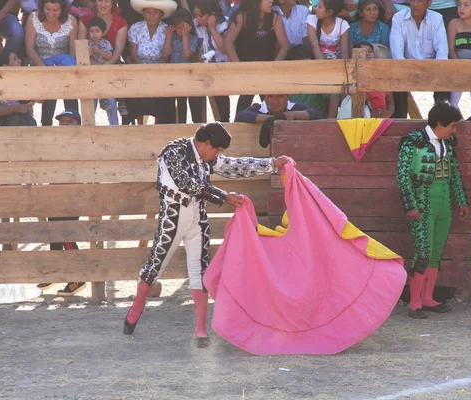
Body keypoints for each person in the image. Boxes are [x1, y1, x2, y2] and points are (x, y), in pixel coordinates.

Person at [122, 122, 292, 348]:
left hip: (197, 217)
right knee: (155, 265)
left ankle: (201, 329)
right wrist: (223, 197)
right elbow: (186, 184)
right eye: (216, 150)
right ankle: (137, 307)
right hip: (172, 218)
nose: (217, 156)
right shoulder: (174, 152)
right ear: (207, 143)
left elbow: (233, 166)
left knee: (200, 268)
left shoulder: (206, 155)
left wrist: (271, 164)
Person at [396, 102, 469, 319]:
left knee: (436, 252)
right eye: (453, 126)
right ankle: (415, 302)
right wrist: (410, 206)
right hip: (423, 202)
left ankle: (428, 298)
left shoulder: (449, 143)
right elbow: (402, 176)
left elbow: (454, 173)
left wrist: (462, 201)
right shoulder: (412, 142)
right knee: (423, 252)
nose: (454, 131)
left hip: (444, 201)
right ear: (439, 123)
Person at [36, 109, 87, 297]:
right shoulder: (53, 143)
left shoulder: (80, 144)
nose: (65, 124)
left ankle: (77, 278)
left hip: (72, 195)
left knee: (66, 233)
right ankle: (55, 271)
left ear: (77, 125)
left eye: (69, 121)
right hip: (55, 192)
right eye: (62, 121)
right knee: (54, 232)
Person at [224, 0, 290, 114]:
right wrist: (238, 66)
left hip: (267, 73)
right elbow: (228, 42)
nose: (271, 1)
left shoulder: (275, 17)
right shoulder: (241, 17)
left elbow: (285, 45)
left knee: (271, 108)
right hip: (247, 72)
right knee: (242, 108)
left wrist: (274, 66)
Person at [390, 0, 448, 118]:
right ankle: (399, 121)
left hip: (432, 69)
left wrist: (437, 72)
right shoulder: (398, 18)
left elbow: (442, 53)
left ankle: (439, 121)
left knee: (444, 77)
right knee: (397, 78)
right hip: (406, 68)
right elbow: (397, 53)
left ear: (429, 3)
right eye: (413, 1)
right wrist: (405, 72)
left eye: (420, 1)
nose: (415, 4)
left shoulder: (436, 18)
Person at [25, 0, 80, 126]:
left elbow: (72, 50)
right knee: (47, 108)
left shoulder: (71, 21)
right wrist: (45, 69)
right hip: (40, 66)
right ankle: (46, 127)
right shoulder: (33, 19)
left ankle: (75, 128)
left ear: (63, 9)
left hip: (64, 67)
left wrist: (66, 69)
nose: (51, 13)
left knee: (71, 102)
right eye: (47, 9)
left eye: (55, 10)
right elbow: (30, 48)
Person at [126, 0, 177, 124]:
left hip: (160, 68)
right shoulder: (135, 28)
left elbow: (165, 56)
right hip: (139, 67)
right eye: (148, 12)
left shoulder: (166, 29)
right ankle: (139, 124)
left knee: (160, 96)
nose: (152, 15)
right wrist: (141, 71)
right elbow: (133, 54)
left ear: (161, 14)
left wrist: (169, 37)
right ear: (144, 14)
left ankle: (158, 124)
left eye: (155, 12)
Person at [163, 9, 205, 123]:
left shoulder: (193, 39)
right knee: (181, 108)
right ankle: (181, 129)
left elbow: (187, 53)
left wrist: (186, 36)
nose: (180, 30)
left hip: (191, 78)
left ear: (190, 26)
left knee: (195, 108)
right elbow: (166, 54)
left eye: (183, 27)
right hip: (176, 78)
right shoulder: (173, 39)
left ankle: (197, 129)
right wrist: (168, 36)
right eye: (177, 28)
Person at [193, 0, 231, 122]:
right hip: (201, 70)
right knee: (197, 104)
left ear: (212, 14)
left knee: (222, 108)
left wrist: (213, 29)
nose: (197, 18)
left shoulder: (223, 24)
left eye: (200, 15)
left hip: (220, 70)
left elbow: (226, 49)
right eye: (196, 15)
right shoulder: (195, 25)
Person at [286, 44, 339, 119]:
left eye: (307, 63)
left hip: (316, 121)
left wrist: (330, 120)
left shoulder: (317, 77)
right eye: (300, 63)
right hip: (291, 122)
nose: (304, 67)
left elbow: (334, 93)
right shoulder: (285, 80)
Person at [0, 51, 37, 126]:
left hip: (22, 121)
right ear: (5, 66)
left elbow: (38, 100)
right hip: (2, 122)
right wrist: (15, 109)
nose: (19, 61)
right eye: (15, 59)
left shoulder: (25, 81)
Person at [85, 17, 119, 124]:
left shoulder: (106, 44)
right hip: (91, 78)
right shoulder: (87, 44)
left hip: (106, 77)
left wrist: (99, 51)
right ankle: (89, 127)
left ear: (103, 32)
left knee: (111, 103)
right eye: (91, 31)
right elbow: (83, 58)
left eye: (97, 31)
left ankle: (114, 125)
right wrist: (89, 53)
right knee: (90, 104)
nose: (94, 34)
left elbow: (109, 56)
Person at [354, 41, 394, 118]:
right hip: (360, 119)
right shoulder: (352, 74)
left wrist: (388, 113)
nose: (368, 54)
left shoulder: (381, 75)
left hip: (382, 120)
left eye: (370, 51)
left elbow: (390, 100)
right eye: (364, 51)